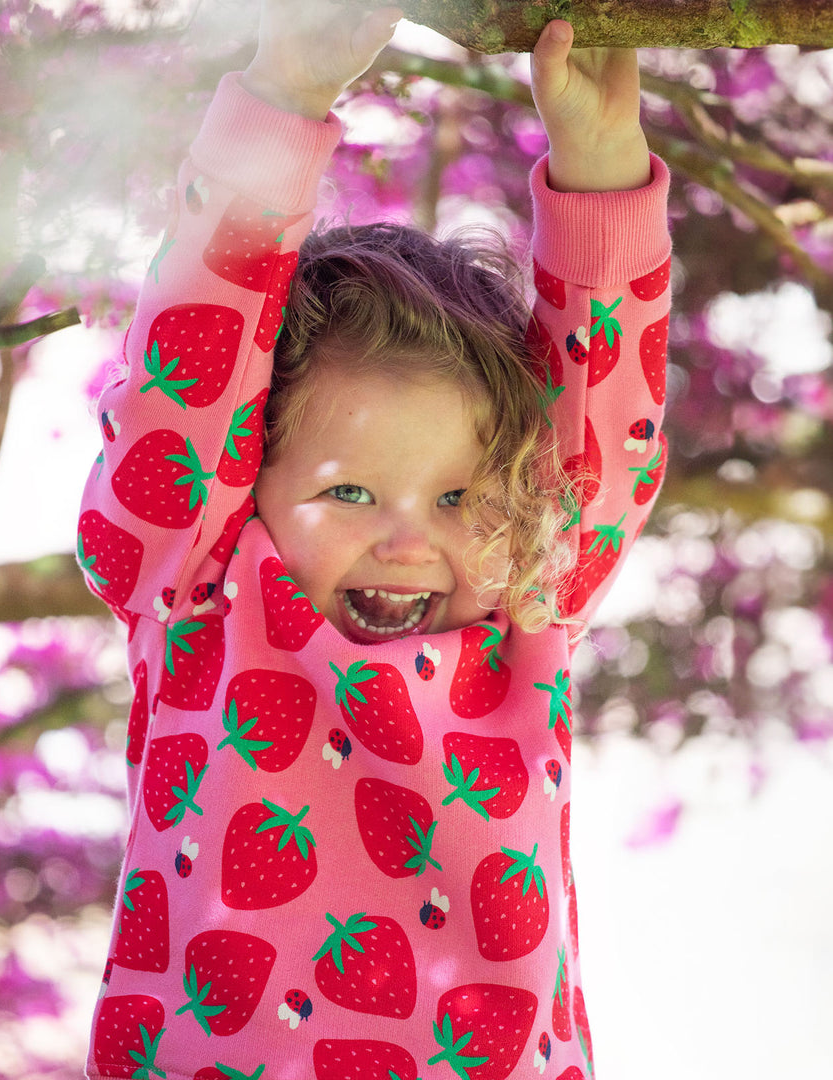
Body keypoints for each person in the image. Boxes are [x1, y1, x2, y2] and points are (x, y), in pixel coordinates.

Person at [76, 2, 671, 1077]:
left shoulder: (527, 604)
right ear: (246, 487)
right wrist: (285, 99)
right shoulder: (202, 596)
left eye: (456, 499)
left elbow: (597, 426)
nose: (410, 540)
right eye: (350, 493)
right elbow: (189, 387)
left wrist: (598, 160)